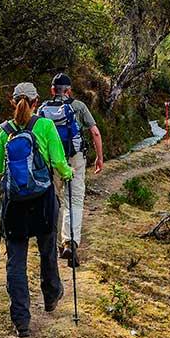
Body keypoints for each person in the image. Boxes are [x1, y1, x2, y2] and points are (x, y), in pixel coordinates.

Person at [0, 81, 73, 337]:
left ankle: (21, 321)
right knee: (47, 250)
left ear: (13, 102)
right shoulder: (45, 125)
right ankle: (51, 295)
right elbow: (59, 162)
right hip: (43, 200)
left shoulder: (4, 130)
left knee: (16, 261)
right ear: (37, 101)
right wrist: (69, 173)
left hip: (15, 204)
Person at [38, 72, 104, 268]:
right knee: (74, 199)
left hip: (53, 161)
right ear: (69, 91)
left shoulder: (43, 109)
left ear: (52, 90)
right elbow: (95, 132)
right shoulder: (78, 106)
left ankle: (57, 244)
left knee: (55, 200)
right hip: (75, 158)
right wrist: (100, 158)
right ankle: (70, 242)